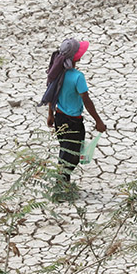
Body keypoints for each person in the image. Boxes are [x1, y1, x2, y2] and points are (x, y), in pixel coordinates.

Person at [45, 39, 106, 189]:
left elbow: (52, 93)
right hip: (73, 122)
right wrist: (98, 121)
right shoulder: (77, 76)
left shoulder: (58, 73)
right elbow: (86, 100)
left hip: (59, 118)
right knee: (71, 155)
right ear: (76, 58)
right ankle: (60, 185)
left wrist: (50, 114)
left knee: (66, 151)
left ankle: (63, 183)